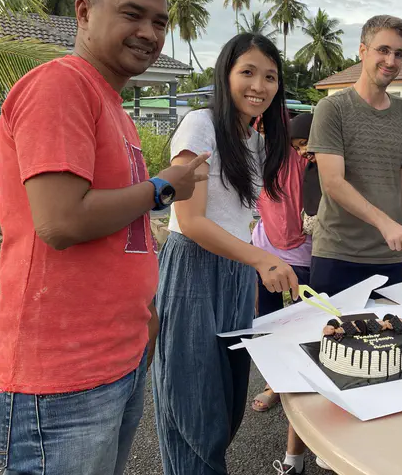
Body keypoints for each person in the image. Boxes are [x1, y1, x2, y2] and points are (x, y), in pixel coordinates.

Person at [0, 0, 207, 475]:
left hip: (113, 361)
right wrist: (163, 186)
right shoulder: (60, 87)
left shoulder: (111, 105)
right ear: (83, 12)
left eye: (159, 22)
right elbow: (62, 222)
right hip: (59, 382)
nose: (149, 33)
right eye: (133, 15)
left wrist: (143, 319)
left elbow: (114, 230)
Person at [151, 33, 298, 475]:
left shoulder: (256, 140)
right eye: (247, 72)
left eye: (270, 77)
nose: (259, 86)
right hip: (192, 268)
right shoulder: (201, 124)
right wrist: (260, 259)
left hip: (234, 272)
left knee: (229, 395)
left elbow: (240, 217)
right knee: (193, 402)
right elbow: (191, 221)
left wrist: (256, 258)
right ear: (225, 75)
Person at [307, 15, 402, 296]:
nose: (391, 61)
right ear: (362, 51)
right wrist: (386, 224)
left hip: (389, 255)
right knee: (332, 337)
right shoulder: (331, 108)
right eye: (383, 50)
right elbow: (333, 183)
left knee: (388, 338)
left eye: (398, 54)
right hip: (337, 253)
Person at [251, 112, 319, 413]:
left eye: (272, 128)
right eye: (261, 129)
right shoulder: (258, 156)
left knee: (300, 319)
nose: (267, 135)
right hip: (266, 247)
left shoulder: (308, 156)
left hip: (304, 250)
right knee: (267, 320)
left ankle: (298, 378)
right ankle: (274, 382)